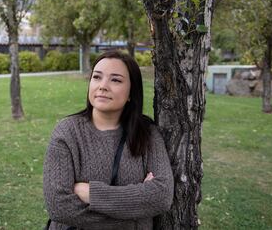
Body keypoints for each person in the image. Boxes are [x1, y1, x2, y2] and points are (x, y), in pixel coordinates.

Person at [43, 51, 174, 229]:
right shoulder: (67, 132)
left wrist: (91, 194)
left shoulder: (148, 135)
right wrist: (134, 213)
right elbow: (59, 207)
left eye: (116, 80)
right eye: (97, 77)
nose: (103, 86)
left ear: (131, 92)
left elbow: (162, 196)